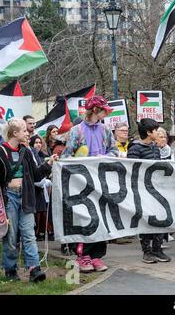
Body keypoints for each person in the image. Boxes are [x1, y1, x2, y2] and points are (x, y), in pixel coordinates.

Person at [62, 95, 118, 272]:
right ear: (95, 110)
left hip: (101, 182)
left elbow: (114, 151)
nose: (106, 113)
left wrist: (103, 158)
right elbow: (66, 155)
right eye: (103, 110)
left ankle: (96, 256)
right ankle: (82, 255)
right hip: (81, 184)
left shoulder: (106, 130)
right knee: (86, 217)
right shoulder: (76, 131)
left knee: (101, 216)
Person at [0, 118, 58, 282]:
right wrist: (6, 182)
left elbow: (37, 175)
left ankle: (34, 268)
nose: (28, 133)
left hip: (26, 197)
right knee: (10, 236)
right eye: (24, 130)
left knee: (29, 234)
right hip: (8, 198)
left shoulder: (26, 151)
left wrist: (49, 163)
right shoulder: (0, 151)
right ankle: (10, 269)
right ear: (15, 133)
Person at [127, 118, 172, 263]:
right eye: (155, 130)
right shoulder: (135, 148)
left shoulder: (155, 147)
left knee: (160, 217)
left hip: (156, 189)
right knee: (146, 220)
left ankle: (157, 249)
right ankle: (147, 251)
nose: (157, 133)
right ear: (148, 132)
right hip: (142, 190)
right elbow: (131, 169)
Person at [29, 135, 53, 242]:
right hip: (35, 190)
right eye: (36, 142)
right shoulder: (32, 155)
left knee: (41, 212)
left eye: (39, 142)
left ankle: (40, 233)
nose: (38, 144)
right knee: (36, 214)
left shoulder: (40, 155)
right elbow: (36, 175)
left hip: (41, 190)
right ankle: (36, 233)